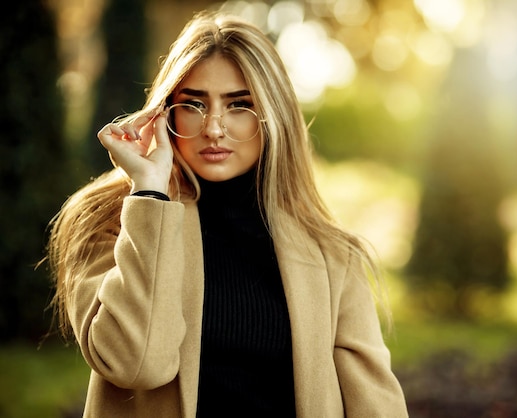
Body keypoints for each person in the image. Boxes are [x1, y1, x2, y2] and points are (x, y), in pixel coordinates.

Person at [46, 10, 408, 418]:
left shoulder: (332, 255)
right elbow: (137, 364)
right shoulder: (108, 221)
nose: (214, 128)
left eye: (240, 105)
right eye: (194, 104)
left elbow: (376, 405)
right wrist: (149, 193)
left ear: (274, 117)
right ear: (165, 113)